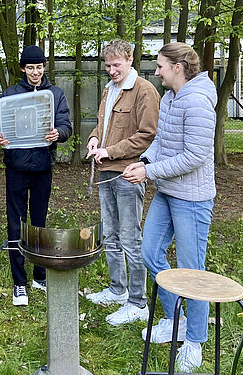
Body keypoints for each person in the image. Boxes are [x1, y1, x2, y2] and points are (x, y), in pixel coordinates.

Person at [123, 42, 217, 373]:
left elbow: (194, 157)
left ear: (177, 67)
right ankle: (174, 318)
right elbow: (162, 141)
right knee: (150, 253)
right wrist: (143, 162)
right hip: (166, 190)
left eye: (161, 65)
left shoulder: (199, 101)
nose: (157, 70)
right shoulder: (171, 97)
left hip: (192, 198)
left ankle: (194, 341)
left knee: (192, 272)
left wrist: (149, 172)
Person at [0, 45, 72, 306]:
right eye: (30, 67)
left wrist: (60, 133)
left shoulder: (55, 94)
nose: (35, 72)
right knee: (16, 222)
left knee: (39, 221)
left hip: (43, 166)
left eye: (39, 67)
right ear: (23, 68)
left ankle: (40, 275)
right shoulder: (10, 94)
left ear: (44, 67)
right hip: (16, 166)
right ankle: (19, 283)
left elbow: (66, 124)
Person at [85, 39, 160, 326]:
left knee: (130, 238)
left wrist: (111, 151)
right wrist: (94, 138)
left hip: (128, 173)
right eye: (107, 65)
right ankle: (117, 290)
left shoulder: (145, 91)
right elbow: (101, 125)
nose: (111, 70)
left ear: (130, 60)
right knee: (110, 235)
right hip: (105, 171)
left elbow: (147, 134)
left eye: (116, 65)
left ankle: (138, 302)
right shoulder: (110, 89)